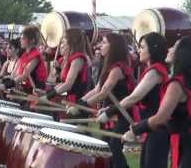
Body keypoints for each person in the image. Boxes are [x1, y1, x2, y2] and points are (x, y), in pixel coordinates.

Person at [123, 37, 191, 168]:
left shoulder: (177, 84)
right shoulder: (187, 80)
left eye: (174, 47)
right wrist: (141, 126)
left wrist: (136, 130)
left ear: (183, 54)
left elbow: (161, 117)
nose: (170, 49)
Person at [98, 32, 170, 168]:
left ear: (153, 49)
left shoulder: (156, 71)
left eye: (142, 47)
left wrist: (109, 112)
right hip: (150, 126)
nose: (139, 50)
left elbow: (135, 97)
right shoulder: (152, 70)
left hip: (157, 127)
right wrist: (109, 110)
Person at [68, 33, 134, 168]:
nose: (99, 46)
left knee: (114, 149)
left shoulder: (117, 68)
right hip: (108, 112)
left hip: (121, 114)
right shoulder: (108, 65)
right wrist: (79, 103)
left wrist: (82, 106)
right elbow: (97, 89)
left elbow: (104, 92)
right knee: (106, 150)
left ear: (113, 47)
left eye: (104, 43)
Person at [44, 28, 90, 104]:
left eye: (63, 43)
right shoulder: (70, 59)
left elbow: (68, 84)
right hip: (69, 100)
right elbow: (55, 80)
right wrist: (48, 93)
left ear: (72, 43)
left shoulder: (78, 59)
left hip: (76, 102)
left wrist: (48, 96)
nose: (60, 46)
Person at [2, 26, 47, 93]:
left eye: (23, 38)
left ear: (32, 40)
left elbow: (24, 76)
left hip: (36, 91)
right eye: (21, 38)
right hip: (25, 88)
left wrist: (6, 86)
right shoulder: (24, 55)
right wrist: (1, 81)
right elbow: (14, 75)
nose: (20, 40)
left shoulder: (36, 56)